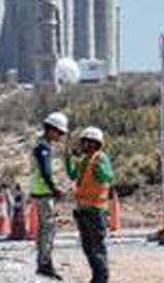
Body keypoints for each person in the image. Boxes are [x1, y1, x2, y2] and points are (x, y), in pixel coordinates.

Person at [66, 126, 114, 283]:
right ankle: (96, 277)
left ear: (96, 144)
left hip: (96, 210)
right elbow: (73, 175)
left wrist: (98, 169)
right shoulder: (84, 161)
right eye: (84, 142)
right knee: (88, 247)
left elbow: (107, 176)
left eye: (89, 143)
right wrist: (68, 160)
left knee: (97, 247)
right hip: (83, 210)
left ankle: (102, 278)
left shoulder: (101, 159)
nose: (85, 146)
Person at [31, 111, 69, 279]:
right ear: (51, 129)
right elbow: (45, 172)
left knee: (44, 230)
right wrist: (55, 189)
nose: (60, 136)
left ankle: (43, 262)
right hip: (44, 193)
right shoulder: (43, 147)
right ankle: (45, 264)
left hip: (40, 192)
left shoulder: (41, 144)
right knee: (48, 230)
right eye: (59, 132)